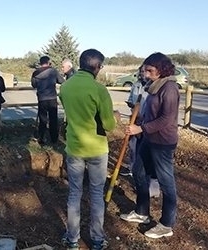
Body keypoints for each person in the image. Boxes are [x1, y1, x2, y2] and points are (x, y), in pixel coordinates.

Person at [59, 49, 116, 250]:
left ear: (80, 63)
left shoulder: (65, 87)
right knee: (96, 193)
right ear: (98, 67)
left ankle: (72, 238)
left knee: (74, 192)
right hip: (97, 149)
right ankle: (97, 240)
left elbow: (69, 113)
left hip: (74, 147)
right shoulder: (99, 90)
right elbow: (109, 125)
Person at [120, 52, 180, 239]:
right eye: (144, 70)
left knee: (166, 182)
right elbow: (151, 112)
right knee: (138, 172)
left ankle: (166, 224)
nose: (145, 74)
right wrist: (140, 121)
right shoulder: (153, 86)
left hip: (162, 142)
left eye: (150, 70)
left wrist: (140, 128)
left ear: (161, 69)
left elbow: (166, 119)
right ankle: (142, 212)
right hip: (148, 138)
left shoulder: (169, 88)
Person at [120, 66, 161, 198]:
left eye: (147, 71)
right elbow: (133, 101)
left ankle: (153, 185)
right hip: (137, 120)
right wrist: (134, 114)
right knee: (135, 148)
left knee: (151, 157)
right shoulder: (137, 85)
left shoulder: (156, 88)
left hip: (149, 125)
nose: (144, 74)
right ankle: (136, 173)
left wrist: (144, 121)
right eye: (142, 72)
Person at [31, 56, 65, 144]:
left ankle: (42, 138)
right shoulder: (53, 71)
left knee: (43, 120)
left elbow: (34, 85)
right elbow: (61, 81)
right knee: (53, 120)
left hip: (42, 99)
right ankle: (54, 139)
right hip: (52, 98)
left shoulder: (35, 73)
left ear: (40, 63)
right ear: (48, 62)